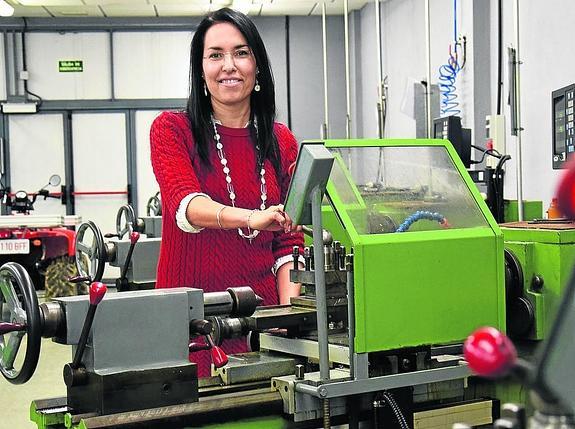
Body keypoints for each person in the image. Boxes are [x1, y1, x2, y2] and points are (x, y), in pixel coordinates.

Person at [150, 7, 304, 377]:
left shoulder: (281, 141)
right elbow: (186, 205)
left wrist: (288, 315)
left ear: (257, 67)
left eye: (241, 52)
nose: (228, 65)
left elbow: (289, 241)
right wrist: (252, 218)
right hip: (186, 325)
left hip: (259, 326)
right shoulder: (172, 130)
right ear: (201, 71)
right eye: (215, 55)